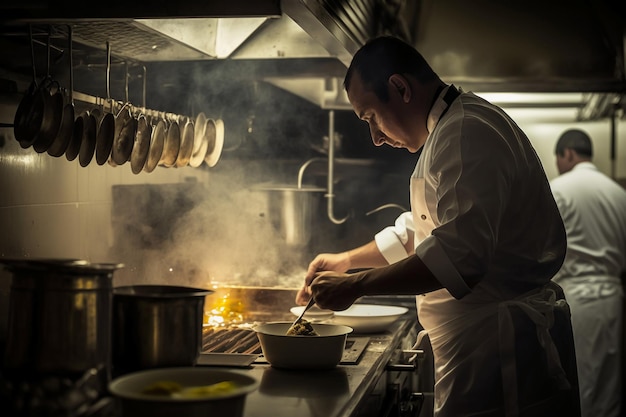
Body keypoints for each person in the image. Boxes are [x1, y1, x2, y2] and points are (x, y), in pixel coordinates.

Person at [296, 36, 581, 417]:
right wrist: (345, 261)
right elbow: (424, 231)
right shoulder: (454, 129)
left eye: (370, 118)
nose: (376, 138)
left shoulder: (464, 133)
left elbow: (459, 257)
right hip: (485, 349)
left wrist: (356, 285)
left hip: (499, 358)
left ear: (400, 88)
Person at [549, 129, 626, 417]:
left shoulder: (559, 190)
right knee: (608, 389)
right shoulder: (619, 194)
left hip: (577, 301)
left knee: (581, 386)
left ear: (567, 154)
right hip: (613, 300)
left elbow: (544, 249)